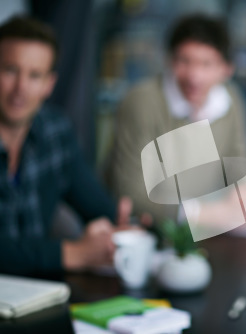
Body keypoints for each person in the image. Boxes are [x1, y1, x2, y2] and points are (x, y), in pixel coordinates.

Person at [0, 16, 135, 277]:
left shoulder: (54, 130)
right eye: (9, 70)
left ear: (49, 85)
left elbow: (97, 206)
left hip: (39, 295)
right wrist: (71, 253)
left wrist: (122, 225)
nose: (21, 88)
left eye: (35, 75)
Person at [106, 14, 246, 224]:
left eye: (206, 64)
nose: (194, 76)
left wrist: (245, 199)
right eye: (184, 61)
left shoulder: (230, 100)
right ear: (169, 60)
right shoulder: (142, 101)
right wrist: (201, 214)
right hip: (144, 228)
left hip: (208, 228)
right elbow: (131, 193)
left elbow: (241, 167)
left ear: (226, 69)